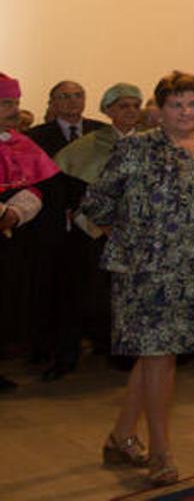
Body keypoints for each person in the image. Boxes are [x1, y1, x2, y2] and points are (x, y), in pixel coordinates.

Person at [83, 71, 194, 487]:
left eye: (192, 103)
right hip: (144, 272)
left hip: (193, 272)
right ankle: (161, 452)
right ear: (159, 111)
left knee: (155, 357)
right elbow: (96, 202)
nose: (185, 112)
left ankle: (120, 436)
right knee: (160, 358)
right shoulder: (137, 148)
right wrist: (130, 238)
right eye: (176, 104)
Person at [48, 83, 144, 378]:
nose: (130, 111)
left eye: (134, 106)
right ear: (108, 110)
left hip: (135, 235)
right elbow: (74, 192)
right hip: (92, 235)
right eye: (123, 106)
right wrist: (98, 224)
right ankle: (68, 356)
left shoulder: (151, 144)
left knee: (129, 297)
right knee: (85, 295)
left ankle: (124, 355)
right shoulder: (87, 145)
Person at [24, 80, 108, 377]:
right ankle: (60, 351)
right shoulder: (35, 137)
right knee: (60, 290)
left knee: (96, 286)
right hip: (54, 225)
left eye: (78, 96)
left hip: (95, 225)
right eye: (65, 97)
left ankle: (101, 342)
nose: (72, 102)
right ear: (53, 103)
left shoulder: (101, 132)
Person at [0, 73, 59, 393]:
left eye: (16, 103)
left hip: (14, 239)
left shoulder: (23, 143)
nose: (14, 110)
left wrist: (17, 211)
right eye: (6, 102)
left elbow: (41, 186)